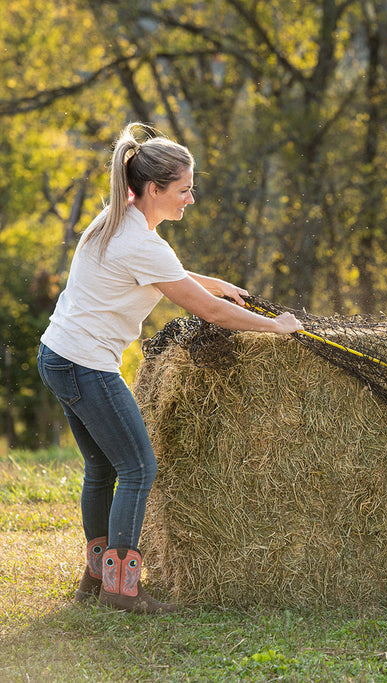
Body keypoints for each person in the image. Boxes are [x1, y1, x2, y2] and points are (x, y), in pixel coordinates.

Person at [37, 122, 302, 615]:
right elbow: (211, 314)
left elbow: (162, 274)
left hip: (59, 355)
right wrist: (278, 327)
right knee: (138, 468)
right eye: (184, 190)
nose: (191, 199)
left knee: (101, 467)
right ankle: (123, 589)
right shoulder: (142, 242)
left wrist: (211, 281)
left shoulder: (115, 219)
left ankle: (97, 579)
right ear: (154, 189)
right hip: (86, 365)